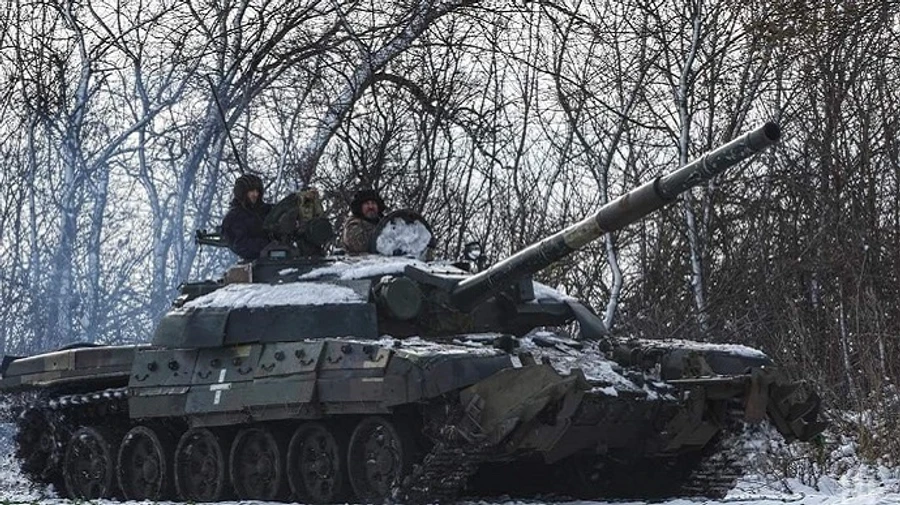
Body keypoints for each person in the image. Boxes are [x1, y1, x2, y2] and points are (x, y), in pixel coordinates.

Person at [221, 173, 273, 261]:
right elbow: (241, 245)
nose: (255, 194)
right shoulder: (234, 218)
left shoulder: (266, 210)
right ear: (242, 193)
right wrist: (267, 244)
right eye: (251, 191)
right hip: (256, 262)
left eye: (257, 191)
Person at [341, 189, 386, 253]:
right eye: (367, 204)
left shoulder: (386, 223)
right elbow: (359, 246)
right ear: (360, 207)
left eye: (373, 203)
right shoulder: (353, 225)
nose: (371, 207)